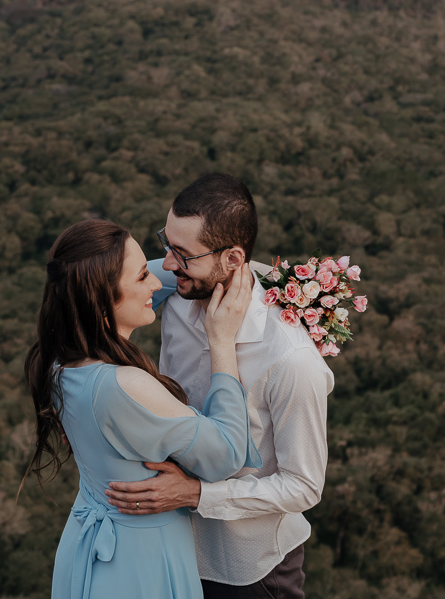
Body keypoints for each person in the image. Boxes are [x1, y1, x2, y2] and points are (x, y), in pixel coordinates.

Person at [104, 173, 334, 599]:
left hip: (247, 568)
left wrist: (194, 493)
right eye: (165, 244)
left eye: (182, 254)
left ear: (232, 260)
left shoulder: (290, 361)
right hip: (168, 547)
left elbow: (303, 485)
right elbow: (97, 287)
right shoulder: (176, 291)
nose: (167, 265)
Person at [22, 219, 261, 599]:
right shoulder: (124, 386)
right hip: (140, 563)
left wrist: (220, 264)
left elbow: (155, 274)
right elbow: (227, 452)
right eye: (139, 278)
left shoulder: (59, 357)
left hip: (89, 545)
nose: (157, 278)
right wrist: (222, 340)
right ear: (101, 300)